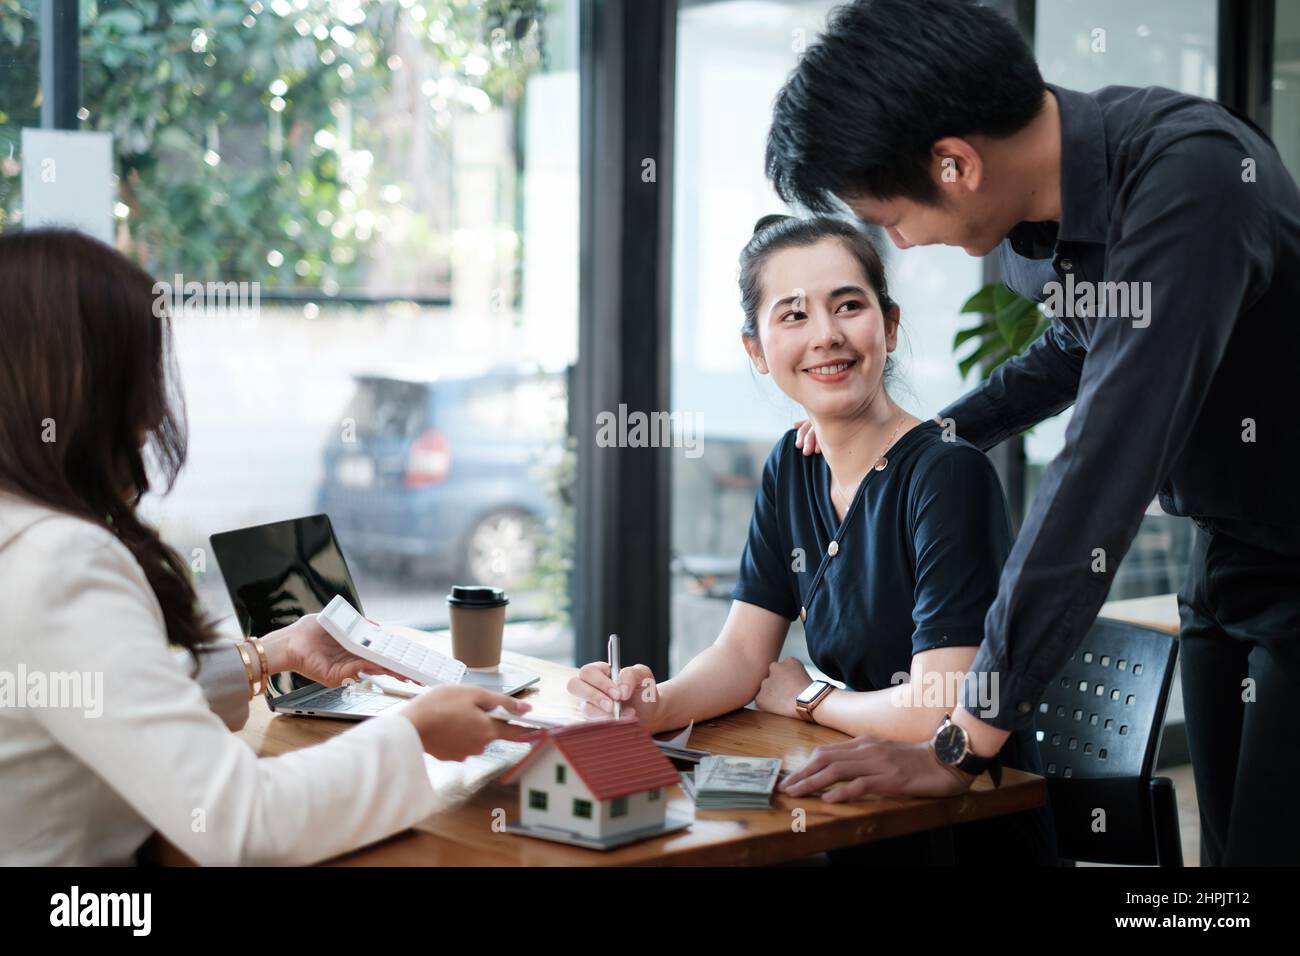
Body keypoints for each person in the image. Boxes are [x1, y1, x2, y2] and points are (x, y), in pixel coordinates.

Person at [766, 0, 1300, 865]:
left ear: (956, 164)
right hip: (1230, 546)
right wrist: (933, 437)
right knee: (1227, 867)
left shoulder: (1191, 181)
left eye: (894, 217)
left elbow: (1102, 474)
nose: (901, 239)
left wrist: (959, 744)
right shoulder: (1030, 218)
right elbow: (1077, 346)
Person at [0, 228, 530, 866]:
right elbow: (242, 824)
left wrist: (266, 655)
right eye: (138, 379)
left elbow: (103, 701)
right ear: (86, 392)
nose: (147, 420)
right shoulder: (58, 564)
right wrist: (412, 731)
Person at [568, 214, 1056, 865]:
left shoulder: (947, 475)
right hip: (861, 810)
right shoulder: (792, 466)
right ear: (757, 351)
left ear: (888, 325)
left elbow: (936, 708)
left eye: (848, 306)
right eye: (793, 315)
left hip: (961, 828)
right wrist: (652, 706)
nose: (826, 335)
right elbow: (742, 654)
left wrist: (808, 696)